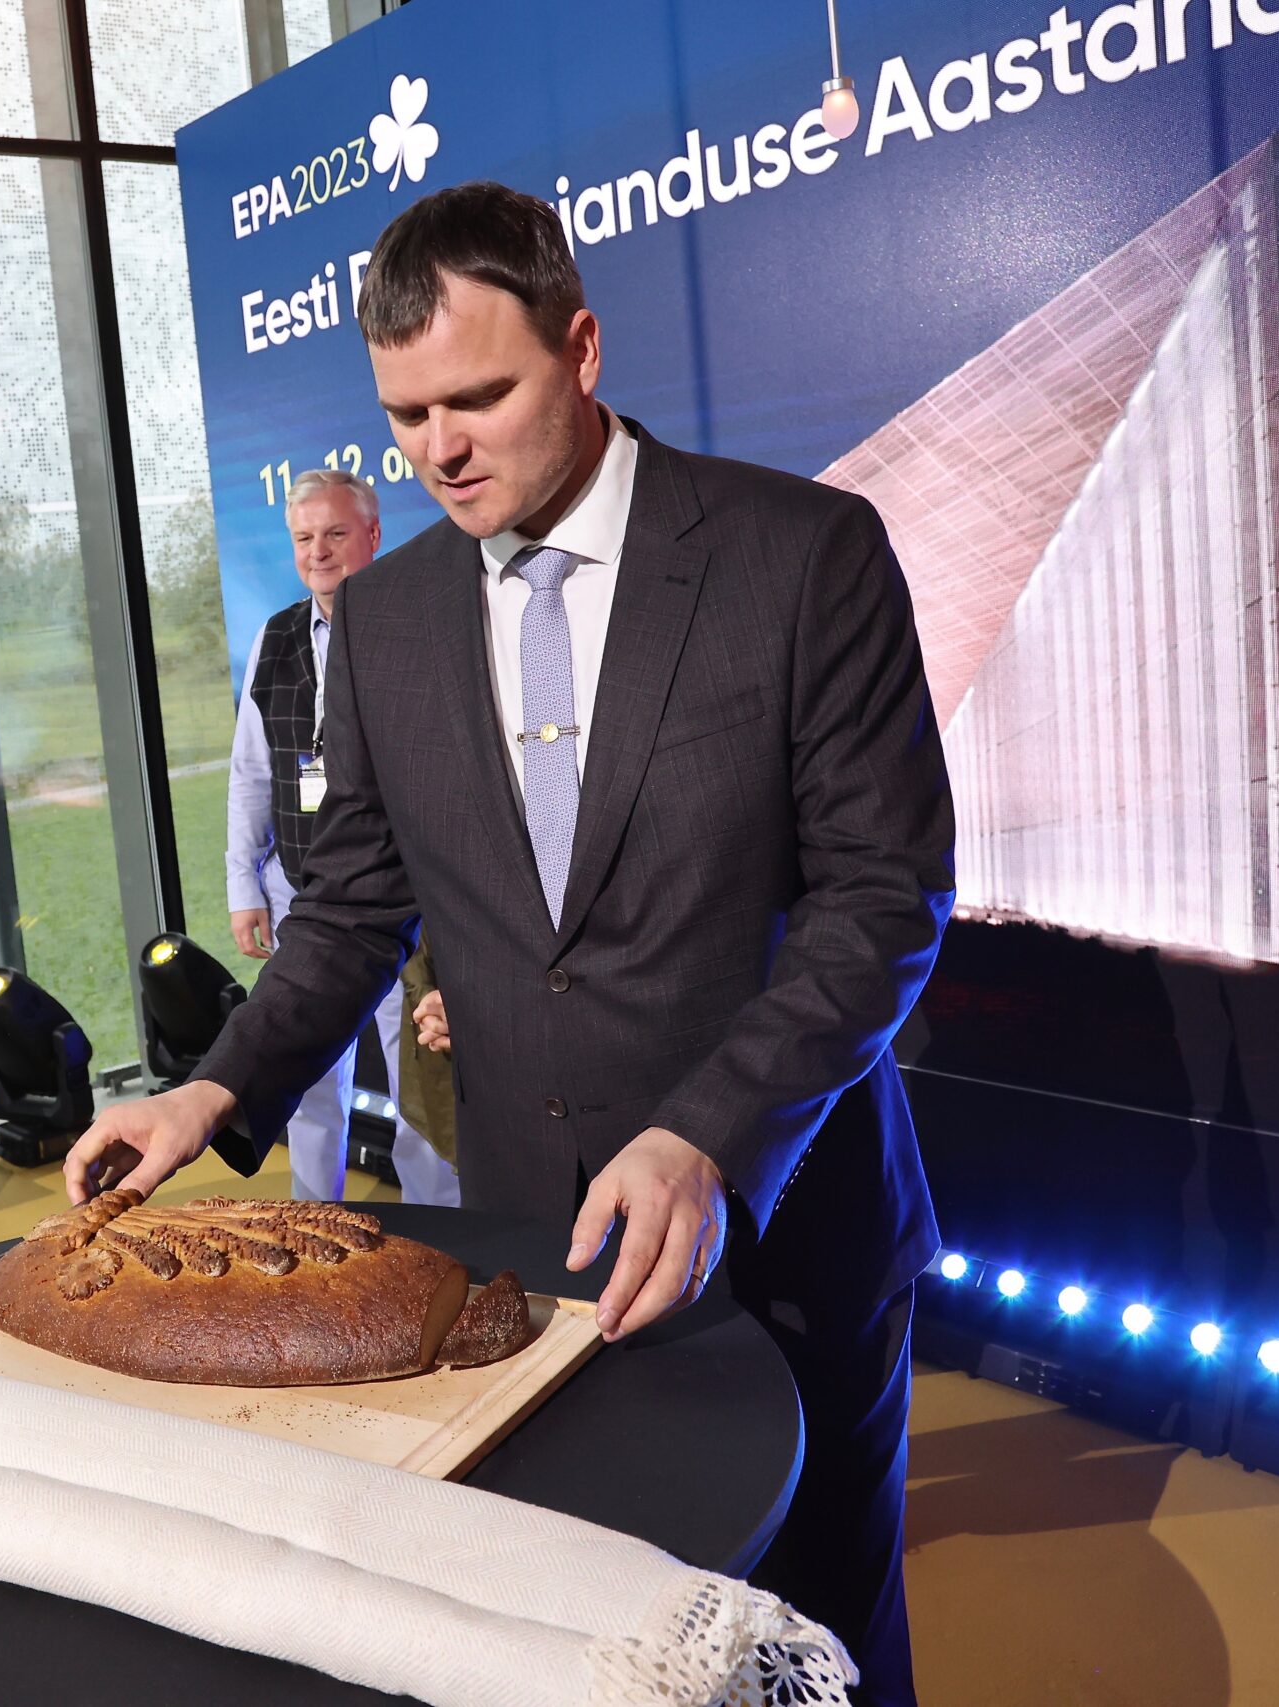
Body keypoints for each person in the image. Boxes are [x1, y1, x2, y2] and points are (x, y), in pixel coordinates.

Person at [68, 181, 952, 1704]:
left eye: (479, 396)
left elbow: (884, 899)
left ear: (582, 348)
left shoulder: (801, 553)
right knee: (592, 1645)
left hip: (787, 1233)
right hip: (534, 1259)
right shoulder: (384, 621)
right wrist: (209, 1090)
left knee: (814, 1641)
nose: (441, 449)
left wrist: (710, 1132)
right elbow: (355, 906)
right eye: (407, 415)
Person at [227, 467, 460, 1205]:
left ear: (373, 534)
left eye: (334, 533)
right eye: (304, 538)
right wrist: (242, 884)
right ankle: (313, 1218)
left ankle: (440, 1229)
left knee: (418, 1082)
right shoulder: (275, 638)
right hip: (300, 898)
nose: (318, 552)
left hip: (402, 906)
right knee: (306, 1084)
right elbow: (251, 771)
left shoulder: (421, 627)